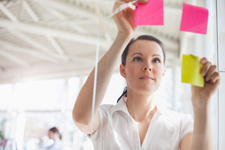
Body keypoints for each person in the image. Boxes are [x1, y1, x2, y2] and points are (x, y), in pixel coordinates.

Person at [72, 0, 221, 150]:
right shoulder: (105, 118)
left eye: (156, 60)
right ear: (123, 71)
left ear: (163, 73)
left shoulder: (181, 124)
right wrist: (123, 35)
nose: (148, 66)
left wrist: (201, 103)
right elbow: (81, 117)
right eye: (137, 58)